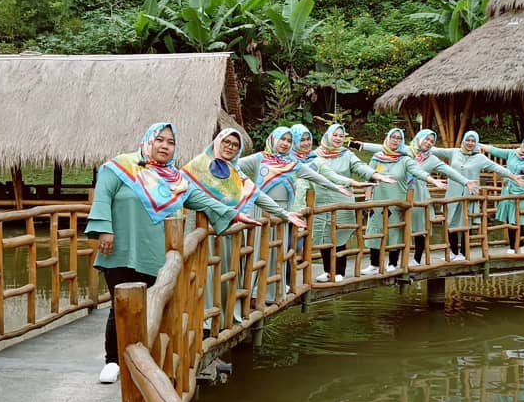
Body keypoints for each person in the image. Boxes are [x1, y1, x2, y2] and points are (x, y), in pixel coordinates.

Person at [85, 123, 261, 384]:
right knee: (120, 306)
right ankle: (113, 360)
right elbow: (102, 197)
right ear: (148, 140)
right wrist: (104, 230)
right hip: (121, 249)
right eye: (160, 140)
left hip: (155, 252)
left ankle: (146, 358)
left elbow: (204, 200)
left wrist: (235, 214)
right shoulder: (120, 167)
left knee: (154, 305)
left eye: (170, 142)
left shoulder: (175, 179)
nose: (164, 146)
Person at [181, 128, 306, 324]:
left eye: (235, 145)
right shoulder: (198, 166)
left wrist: (284, 214)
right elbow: (183, 191)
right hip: (202, 229)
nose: (230, 147)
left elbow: (257, 194)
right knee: (203, 273)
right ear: (217, 142)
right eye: (227, 142)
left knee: (226, 273)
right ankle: (201, 321)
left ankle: (222, 318)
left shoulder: (234, 171)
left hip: (227, 230)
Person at [238, 126, 352, 299]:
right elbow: (233, 166)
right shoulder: (259, 158)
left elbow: (316, 177)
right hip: (261, 210)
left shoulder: (292, 163)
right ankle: (252, 291)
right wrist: (247, 185)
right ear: (273, 139)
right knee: (259, 250)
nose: (285, 143)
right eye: (282, 139)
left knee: (279, 251)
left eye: (289, 141)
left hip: (284, 212)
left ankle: (271, 292)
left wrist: (336, 187)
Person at [298, 124, 394, 282]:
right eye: (335, 135)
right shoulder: (315, 155)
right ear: (328, 136)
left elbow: (360, 167)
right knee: (323, 236)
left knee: (339, 236)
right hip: (320, 201)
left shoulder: (347, 155)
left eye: (341, 136)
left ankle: (339, 271)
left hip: (342, 200)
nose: (338, 138)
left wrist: (376, 175)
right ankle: (328, 271)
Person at [356, 128, 446, 274]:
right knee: (375, 230)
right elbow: (369, 178)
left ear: (402, 141)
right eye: (393, 137)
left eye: (399, 138)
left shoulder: (404, 159)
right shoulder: (377, 157)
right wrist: (367, 198)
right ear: (388, 138)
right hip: (378, 200)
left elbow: (418, 172)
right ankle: (374, 264)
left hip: (397, 200)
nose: (396, 140)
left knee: (395, 232)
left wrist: (433, 180)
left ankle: (393, 263)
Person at [432, 131, 524, 260]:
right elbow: (435, 150)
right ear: (463, 141)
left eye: (473, 141)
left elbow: (497, 167)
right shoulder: (454, 152)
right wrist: (416, 144)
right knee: (450, 222)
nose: (470, 143)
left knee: (466, 224)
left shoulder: (480, 158)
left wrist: (513, 176)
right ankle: (453, 252)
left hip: (469, 194)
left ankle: (464, 253)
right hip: (452, 194)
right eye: (468, 140)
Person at [405, 129, 476, 266]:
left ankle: (417, 259)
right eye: (426, 139)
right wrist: (363, 145)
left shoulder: (432, 159)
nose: (429, 143)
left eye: (432, 141)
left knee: (420, 228)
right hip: (402, 192)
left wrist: (465, 181)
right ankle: (392, 262)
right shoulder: (406, 151)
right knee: (397, 227)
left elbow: (449, 171)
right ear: (419, 138)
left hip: (419, 194)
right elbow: (383, 148)